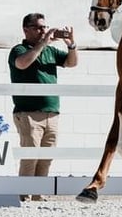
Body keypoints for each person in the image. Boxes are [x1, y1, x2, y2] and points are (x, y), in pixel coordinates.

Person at [8, 12, 78, 201]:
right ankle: (24, 195)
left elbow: (72, 63)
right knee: (30, 156)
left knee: (46, 157)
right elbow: (22, 64)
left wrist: (71, 44)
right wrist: (44, 42)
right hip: (28, 113)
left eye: (44, 27)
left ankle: (38, 194)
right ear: (26, 29)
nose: (43, 31)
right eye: (38, 27)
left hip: (52, 112)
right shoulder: (19, 50)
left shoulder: (50, 51)